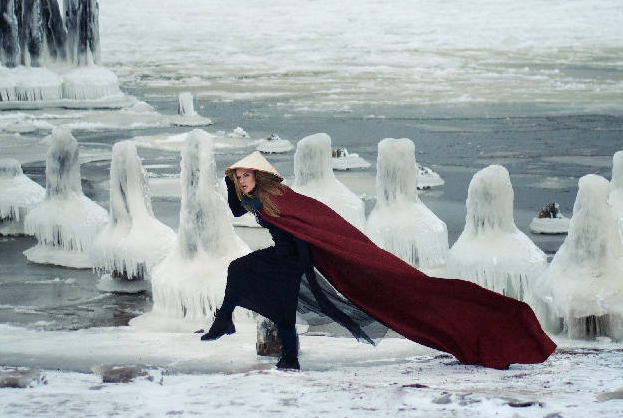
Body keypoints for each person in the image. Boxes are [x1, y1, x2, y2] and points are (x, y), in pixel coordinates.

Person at [201, 151, 556, 372]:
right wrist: (230, 181)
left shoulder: (278, 195)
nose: (242, 182)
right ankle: (233, 326)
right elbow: (237, 207)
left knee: (269, 293)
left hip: (298, 258)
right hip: (285, 257)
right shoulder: (255, 200)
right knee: (250, 278)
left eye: (246, 175)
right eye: (238, 178)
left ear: (259, 175)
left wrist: (317, 251)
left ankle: (274, 348)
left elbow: (311, 221)